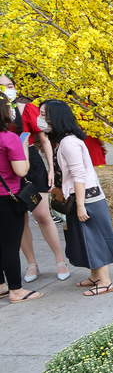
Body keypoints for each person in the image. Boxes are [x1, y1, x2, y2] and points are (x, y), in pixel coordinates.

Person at [45, 100, 113, 296]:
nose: (40, 119)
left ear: (56, 117)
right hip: (80, 197)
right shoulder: (64, 141)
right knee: (85, 238)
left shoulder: (69, 143)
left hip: (87, 199)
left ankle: (105, 282)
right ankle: (96, 276)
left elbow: (79, 175)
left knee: (95, 239)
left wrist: (80, 206)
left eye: (44, 115)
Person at [0, 75, 69, 282]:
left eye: (10, 85)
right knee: (19, 220)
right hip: (8, 165)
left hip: (31, 161)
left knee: (43, 215)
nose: (7, 89)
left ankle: (60, 260)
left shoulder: (26, 108)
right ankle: (32, 264)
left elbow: (43, 139)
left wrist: (50, 168)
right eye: (2, 86)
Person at [0, 95, 43, 303]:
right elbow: (21, 170)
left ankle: (1, 285)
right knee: (9, 244)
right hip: (7, 198)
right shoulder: (8, 138)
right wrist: (23, 148)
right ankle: (16, 290)